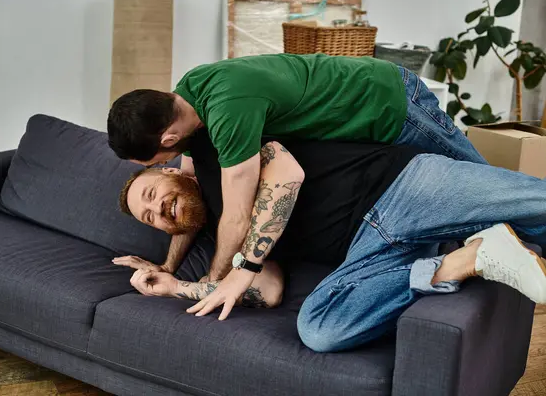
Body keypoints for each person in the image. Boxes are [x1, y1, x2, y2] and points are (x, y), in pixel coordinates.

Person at [115, 133, 546, 352]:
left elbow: (282, 167)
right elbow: (269, 290)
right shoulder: (220, 241)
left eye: (152, 195)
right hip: (374, 251)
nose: (159, 211)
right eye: (149, 218)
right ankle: (466, 258)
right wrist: (174, 285)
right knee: (320, 329)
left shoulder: (219, 153)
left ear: (171, 170)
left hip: (404, 188)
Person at [106, 54, 488, 293]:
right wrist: (169, 267)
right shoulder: (187, 102)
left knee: (484, 193)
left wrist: (213, 279)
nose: (164, 167)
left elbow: (238, 218)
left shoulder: (227, 113)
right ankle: (488, 254)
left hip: (387, 102)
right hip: (365, 134)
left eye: (155, 161)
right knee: (478, 208)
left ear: (168, 136)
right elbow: (186, 181)